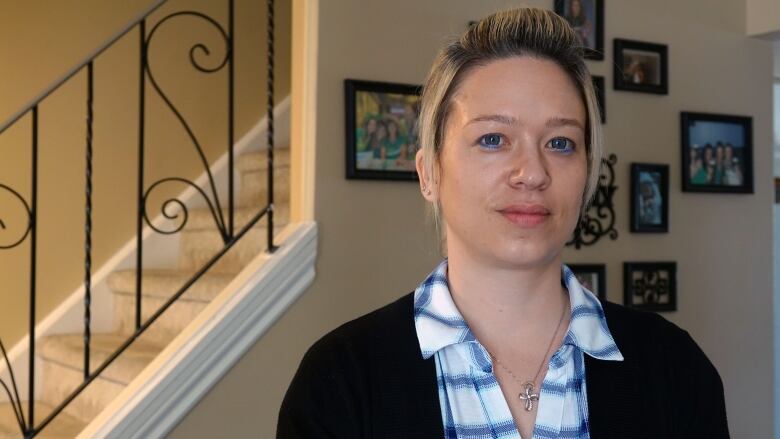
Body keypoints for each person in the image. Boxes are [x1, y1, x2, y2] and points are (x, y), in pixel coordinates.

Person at [278, 8, 729, 438]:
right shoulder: (338, 382)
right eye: (493, 139)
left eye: (561, 142)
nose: (532, 172)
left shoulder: (675, 367)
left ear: (588, 175)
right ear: (428, 173)